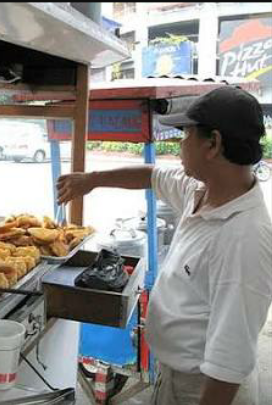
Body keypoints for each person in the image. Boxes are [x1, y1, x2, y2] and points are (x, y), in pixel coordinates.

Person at [57, 86, 272, 405]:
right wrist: (92, 180)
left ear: (213, 144)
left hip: (202, 391)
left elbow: (230, 362)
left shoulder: (245, 238)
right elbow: (152, 175)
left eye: (186, 134)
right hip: (175, 376)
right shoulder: (201, 191)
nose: (179, 143)